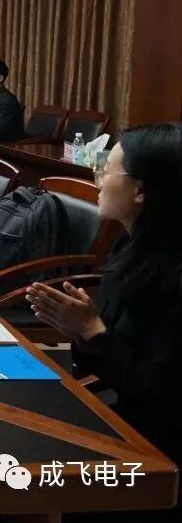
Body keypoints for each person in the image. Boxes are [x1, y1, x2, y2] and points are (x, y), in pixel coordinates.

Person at [28, 123, 182, 483]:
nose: (96, 178)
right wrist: (81, 332)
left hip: (158, 457)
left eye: (106, 170)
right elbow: (114, 357)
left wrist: (91, 330)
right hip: (122, 417)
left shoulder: (174, 276)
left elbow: (159, 394)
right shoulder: (131, 246)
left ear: (140, 190)